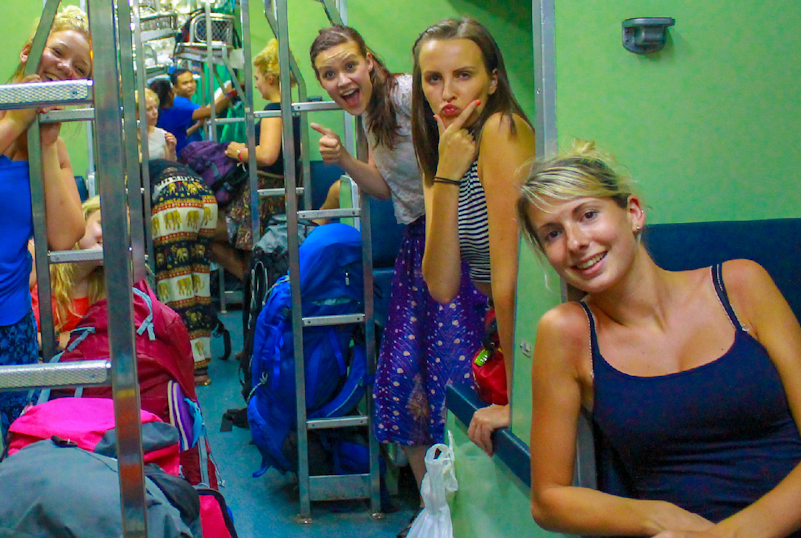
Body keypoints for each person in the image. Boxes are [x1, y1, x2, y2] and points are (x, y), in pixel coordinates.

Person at [524, 144, 801, 537]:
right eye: (552, 234)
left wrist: (734, 534)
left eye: (587, 215)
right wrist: (659, 517)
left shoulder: (741, 285)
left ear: (633, 213)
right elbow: (549, 499)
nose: (574, 242)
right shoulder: (567, 333)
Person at [309, 25, 487, 515]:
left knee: (457, 376)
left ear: (369, 61)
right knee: (399, 382)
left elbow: (451, 161)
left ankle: (469, 515)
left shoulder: (408, 93)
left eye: (349, 66)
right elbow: (385, 189)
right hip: (418, 241)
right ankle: (437, 513)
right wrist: (345, 159)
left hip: (453, 233)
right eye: (329, 74)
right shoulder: (371, 113)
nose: (342, 80)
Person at [0, 5, 90, 436]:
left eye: (79, 68)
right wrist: (15, 120)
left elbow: (65, 237)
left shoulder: (52, 149)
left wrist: (45, 143)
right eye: (58, 52)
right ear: (29, 51)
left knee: (11, 444)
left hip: (11, 327)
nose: (65, 67)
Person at [410, 18, 535, 454]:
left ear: (493, 79)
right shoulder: (443, 148)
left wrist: (521, 404)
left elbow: (513, 274)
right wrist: (445, 172)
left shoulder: (503, 132)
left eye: (463, 75)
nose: (448, 92)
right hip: (499, 321)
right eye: (433, 79)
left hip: (532, 323)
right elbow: (442, 284)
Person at [213, 38, 302, 281]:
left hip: (263, 196)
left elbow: (267, 155)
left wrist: (238, 152)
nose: (257, 84)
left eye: (258, 79)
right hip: (280, 193)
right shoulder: (293, 109)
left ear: (270, 79)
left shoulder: (273, 110)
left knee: (207, 235)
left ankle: (250, 283)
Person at [148, 160, 218, 385]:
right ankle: (202, 363)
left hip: (173, 198)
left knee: (175, 283)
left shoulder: (128, 171)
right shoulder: (158, 163)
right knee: (199, 283)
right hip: (205, 195)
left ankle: (186, 365)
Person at [31, 197, 105, 349]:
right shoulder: (37, 256)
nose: (112, 235)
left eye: (121, 232)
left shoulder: (110, 284)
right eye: (102, 224)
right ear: (82, 220)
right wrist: (60, 340)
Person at [153, 67, 235, 155]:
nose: (190, 85)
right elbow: (212, 111)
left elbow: (180, 135)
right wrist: (230, 93)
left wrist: (197, 126)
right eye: (185, 83)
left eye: (191, 81)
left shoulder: (162, 112)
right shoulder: (178, 106)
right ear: (173, 90)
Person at [144, 88, 178, 161]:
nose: (155, 112)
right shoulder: (125, 137)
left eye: (156, 107)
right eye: (149, 109)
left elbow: (170, 164)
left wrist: (171, 150)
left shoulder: (163, 135)